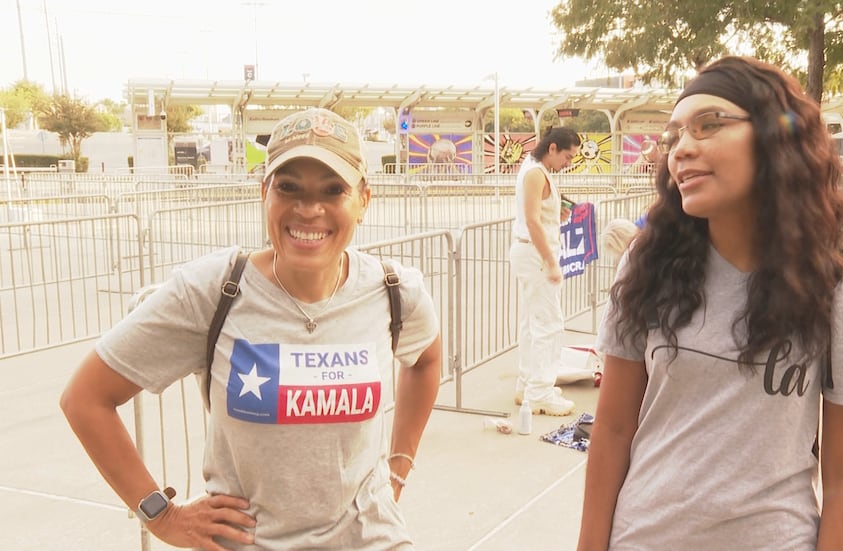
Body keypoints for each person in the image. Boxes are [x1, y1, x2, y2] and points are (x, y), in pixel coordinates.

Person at [60, 107, 442, 550]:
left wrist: (398, 466)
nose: (309, 210)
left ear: (363, 200)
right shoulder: (210, 290)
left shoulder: (394, 291)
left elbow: (426, 359)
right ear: (265, 192)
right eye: (289, 188)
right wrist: (161, 517)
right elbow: (85, 398)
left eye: (333, 190)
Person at [577, 56, 843, 551]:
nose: (682, 150)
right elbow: (612, 430)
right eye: (674, 136)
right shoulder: (646, 263)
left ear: (773, 138)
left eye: (709, 125)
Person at [510, 126, 581, 415]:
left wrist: (556, 213)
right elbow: (532, 220)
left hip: (530, 252)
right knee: (549, 324)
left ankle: (529, 384)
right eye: (567, 155)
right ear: (552, 148)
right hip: (536, 254)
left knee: (533, 322)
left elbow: (537, 215)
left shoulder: (535, 168)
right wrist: (551, 261)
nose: (569, 162)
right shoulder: (536, 173)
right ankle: (539, 391)